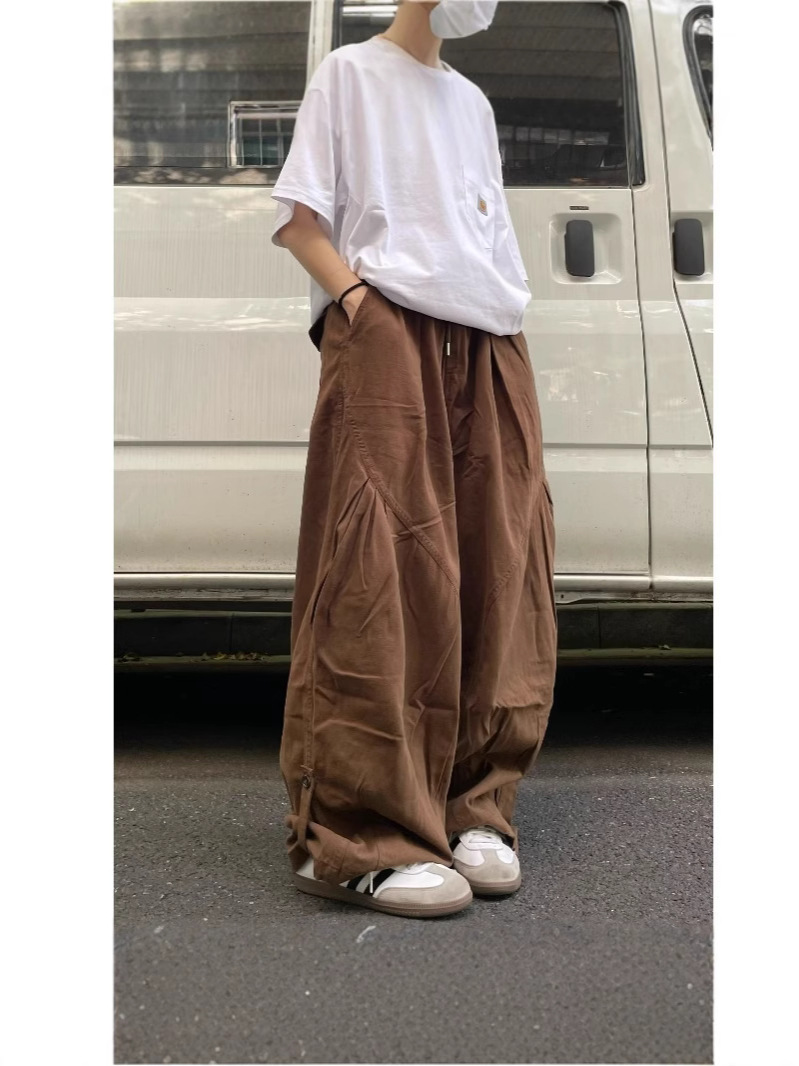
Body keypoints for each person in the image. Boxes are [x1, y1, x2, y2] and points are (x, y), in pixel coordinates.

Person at [270, 0, 557, 919]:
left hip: (490, 339)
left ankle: (473, 806)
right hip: (389, 328)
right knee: (379, 568)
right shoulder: (350, 74)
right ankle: (360, 835)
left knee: (497, 567)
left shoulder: (471, 100)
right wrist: (362, 306)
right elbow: (300, 219)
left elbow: (483, 230)